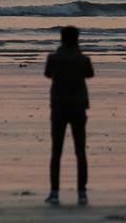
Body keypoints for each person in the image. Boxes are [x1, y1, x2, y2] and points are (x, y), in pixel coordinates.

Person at [44, 26, 94, 206]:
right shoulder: (82, 59)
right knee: (80, 151)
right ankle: (82, 192)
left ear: (61, 39)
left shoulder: (54, 58)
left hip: (58, 106)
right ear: (77, 39)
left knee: (56, 151)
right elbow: (90, 73)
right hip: (78, 106)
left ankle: (54, 192)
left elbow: (47, 74)